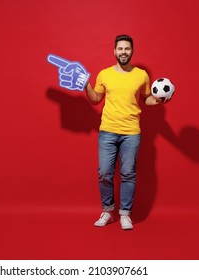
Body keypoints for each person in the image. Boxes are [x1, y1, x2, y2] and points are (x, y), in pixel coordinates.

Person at [85, 34, 164, 230]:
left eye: (127, 49)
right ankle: (107, 211)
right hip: (108, 131)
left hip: (131, 132)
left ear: (132, 51)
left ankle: (125, 214)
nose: (123, 52)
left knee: (128, 173)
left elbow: (145, 98)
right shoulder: (104, 74)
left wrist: (158, 100)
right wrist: (85, 85)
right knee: (104, 173)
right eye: (120, 49)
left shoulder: (142, 75)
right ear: (114, 51)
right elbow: (96, 99)